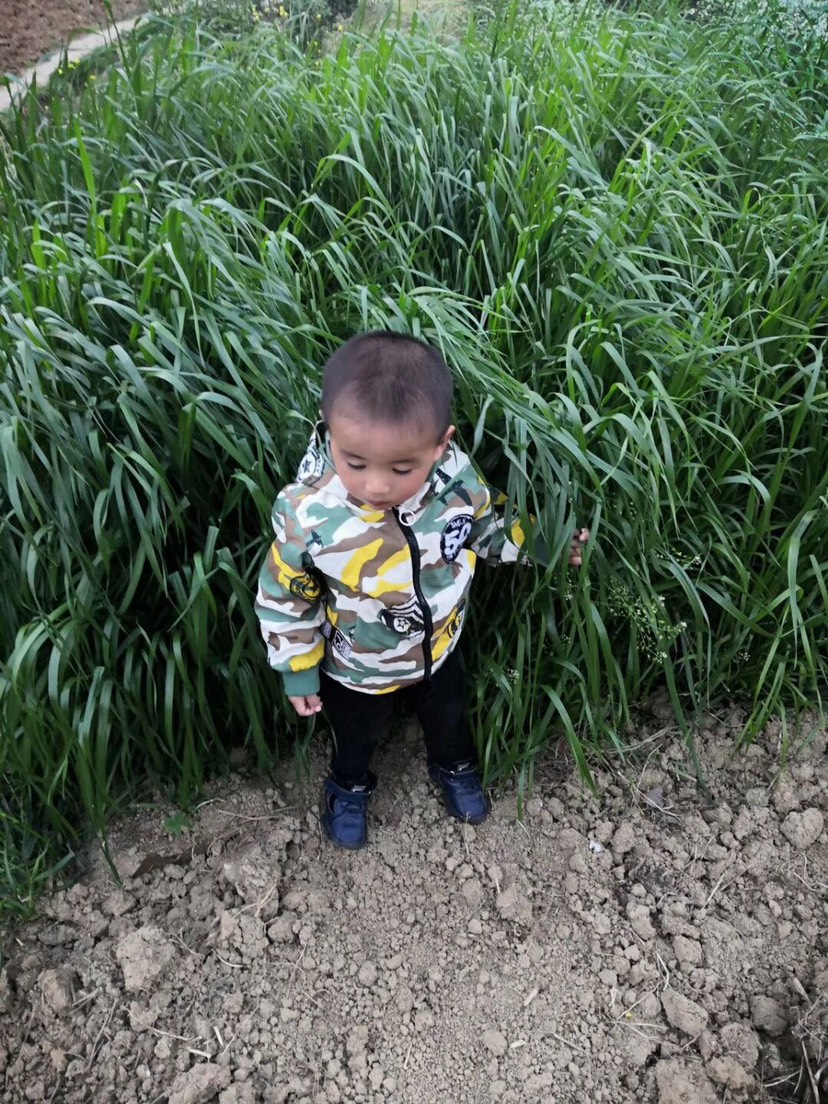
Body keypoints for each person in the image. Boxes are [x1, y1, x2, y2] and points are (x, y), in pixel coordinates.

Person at [255, 331, 588, 849]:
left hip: (440, 644)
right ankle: (349, 784)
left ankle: (453, 764)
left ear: (441, 444)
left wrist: (545, 544)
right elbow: (286, 593)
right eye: (355, 462)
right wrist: (297, 669)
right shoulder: (309, 512)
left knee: (449, 714)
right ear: (330, 434)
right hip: (358, 662)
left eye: (402, 467)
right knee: (357, 732)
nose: (377, 485)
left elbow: (488, 525)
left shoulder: (455, 481)